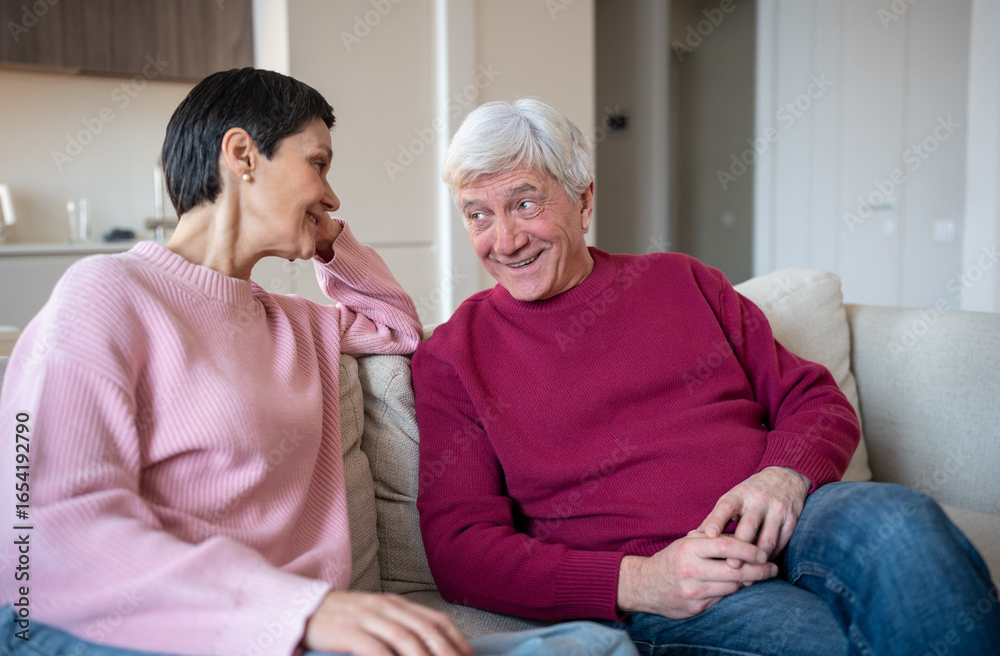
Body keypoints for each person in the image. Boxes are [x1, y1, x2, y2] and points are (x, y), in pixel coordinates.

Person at [0, 70, 637, 656]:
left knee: (594, 647)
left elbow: (396, 330)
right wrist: (302, 611)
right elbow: (45, 537)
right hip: (150, 635)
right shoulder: (109, 295)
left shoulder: (298, 325)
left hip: (306, 635)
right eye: (318, 164)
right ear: (243, 156)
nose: (331, 193)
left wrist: (334, 244)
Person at [411, 98, 1000, 655]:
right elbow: (462, 552)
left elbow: (812, 397)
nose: (505, 241)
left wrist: (784, 475)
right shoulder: (455, 356)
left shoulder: (681, 281)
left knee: (903, 519)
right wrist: (639, 581)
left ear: (584, 200)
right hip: (678, 585)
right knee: (833, 644)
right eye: (478, 214)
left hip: (792, 520)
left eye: (525, 204)